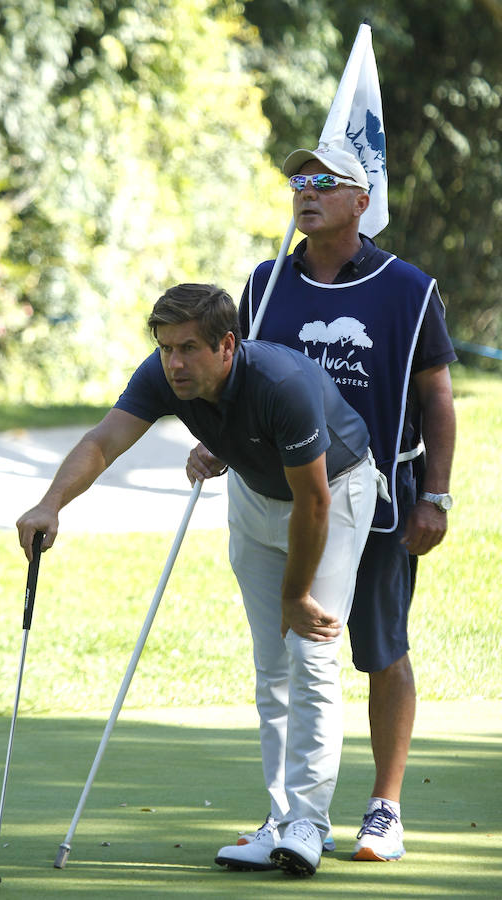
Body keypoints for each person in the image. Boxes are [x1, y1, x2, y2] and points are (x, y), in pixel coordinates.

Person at [17, 282, 385, 877]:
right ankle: (280, 818)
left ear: (227, 346)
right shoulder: (164, 375)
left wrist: (296, 596)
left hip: (334, 493)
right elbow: (104, 441)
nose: (175, 363)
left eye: (188, 348)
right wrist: (50, 504)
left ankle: (308, 828)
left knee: (311, 651)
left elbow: (312, 502)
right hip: (256, 492)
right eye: (165, 348)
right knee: (271, 664)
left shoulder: (281, 384)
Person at [188, 146, 456, 862]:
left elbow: (436, 396)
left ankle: (384, 809)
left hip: (386, 491)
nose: (306, 194)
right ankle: (291, 818)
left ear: (362, 200)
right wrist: (222, 443)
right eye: (299, 182)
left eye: (325, 183)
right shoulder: (269, 281)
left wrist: (437, 494)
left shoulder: (409, 288)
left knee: (379, 645)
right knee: (291, 652)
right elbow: (240, 378)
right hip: (289, 494)